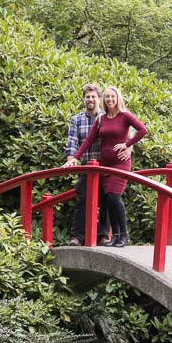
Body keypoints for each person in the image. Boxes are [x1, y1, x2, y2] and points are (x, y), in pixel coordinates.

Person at [72, 86, 148, 248]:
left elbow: (143, 130)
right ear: (104, 100)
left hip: (120, 163)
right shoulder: (101, 119)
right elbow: (88, 141)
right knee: (109, 200)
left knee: (114, 198)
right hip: (105, 165)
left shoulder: (125, 115)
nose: (110, 100)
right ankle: (116, 237)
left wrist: (127, 145)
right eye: (107, 97)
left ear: (117, 98)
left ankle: (124, 235)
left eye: (112, 97)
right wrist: (75, 158)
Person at [62, 84, 110, 246]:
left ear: (99, 99)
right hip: (85, 168)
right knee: (82, 201)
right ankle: (77, 237)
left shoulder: (107, 117)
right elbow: (72, 142)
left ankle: (103, 236)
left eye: (93, 97)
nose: (90, 100)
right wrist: (71, 160)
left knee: (106, 201)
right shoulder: (76, 119)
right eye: (87, 97)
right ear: (84, 99)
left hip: (104, 167)